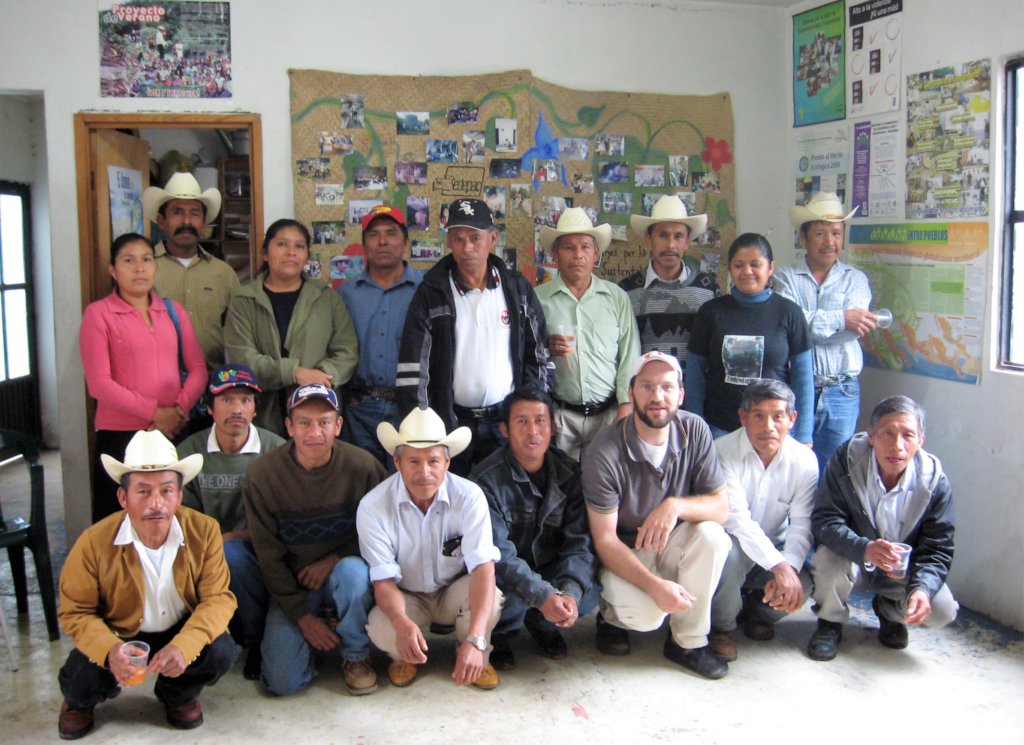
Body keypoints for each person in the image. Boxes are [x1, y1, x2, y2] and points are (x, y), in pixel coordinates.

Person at [56, 430, 238, 739]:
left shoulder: (204, 531)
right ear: (123, 497)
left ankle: (177, 694)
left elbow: (218, 599)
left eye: (167, 491)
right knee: (81, 675)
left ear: (180, 496)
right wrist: (109, 649)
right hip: (118, 633)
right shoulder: (94, 542)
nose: (157, 503)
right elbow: (76, 613)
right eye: (142, 491)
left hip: (178, 629)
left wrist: (185, 646)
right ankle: (79, 703)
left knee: (221, 649)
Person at [583, 352, 732, 680]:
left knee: (713, 537)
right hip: (625, 551)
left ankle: (688, 642)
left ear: (681, 394)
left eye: (667, 387)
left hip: (672, 541)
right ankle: (610, 617)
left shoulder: (694, 429)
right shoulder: (604, 451)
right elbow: (605, 540)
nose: (657, 397)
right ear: (632, 392)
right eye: (647, 387)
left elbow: (720, 508)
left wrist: (675, 506)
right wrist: (654, 586)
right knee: (648, 616)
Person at [242, 384, 387, 696]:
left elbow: (384, 533)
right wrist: (302, 618)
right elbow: (268, 556)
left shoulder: (363, 468)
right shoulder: (263, 475)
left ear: (338, 425)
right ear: (289, 426)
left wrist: (334, 559)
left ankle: (355, 655)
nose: (315, 432)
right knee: (282, 683)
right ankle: (306, 644)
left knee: (352, 572)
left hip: (346, 577)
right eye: (304, 422)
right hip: (296, 584)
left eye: (324, 422)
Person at [397, 198, 550, 475]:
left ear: (493, 238)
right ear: (448, 242)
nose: (467, 247)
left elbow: (537, 356)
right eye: (458, 238)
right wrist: (420, 428)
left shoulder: (516, 290)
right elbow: (413, 369)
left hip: (507, 421)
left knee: (507, 493)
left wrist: (531, 415)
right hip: (451, 422)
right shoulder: (432, 293)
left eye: (475, 238)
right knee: (453, 500)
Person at [358, 407, 503, 690]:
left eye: (433, 461)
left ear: (447, 463)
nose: (424, 472)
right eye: (413, 461)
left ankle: (474, 651)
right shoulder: (373, 506)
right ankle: (406, 654)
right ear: (397, 461)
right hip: (407, 594)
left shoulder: (470, 497)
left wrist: (476, 639)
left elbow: (484, 569)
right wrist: (400, 622)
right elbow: (384, 582)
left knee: (492, 597)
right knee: (382, 626)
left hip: (453, 590)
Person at [806, 396, 958, 661]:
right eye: (887, 433)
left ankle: (890, 613)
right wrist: (864, 549)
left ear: (920, 441)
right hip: (852, 560)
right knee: (826, 559)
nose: (897, 446)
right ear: (871, 436)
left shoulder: (934, 482)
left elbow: (938, 549)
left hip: (898, 571)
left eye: (908, 435)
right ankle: (830, 621)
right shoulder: (846, 462)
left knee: (942, 609)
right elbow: (825, 521)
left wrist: (922, 588)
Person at [80, 232, 207, 522]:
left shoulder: (172, 311)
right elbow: (99, 384)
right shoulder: (99, 315)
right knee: (118, 522)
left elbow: (198, 368)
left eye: (146, 260)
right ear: (113, 269)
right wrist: (154, 413)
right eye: (129, 261)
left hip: (173, 430)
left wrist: (177, 410)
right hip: (120, 437)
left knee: (169, 518)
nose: (139, 268)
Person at [470, 387, 599, 669]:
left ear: (553, 427)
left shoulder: (570, 473)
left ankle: (546, 625)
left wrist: (568, 594)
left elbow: (580, 543)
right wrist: (542, 595)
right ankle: (501, 633)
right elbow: (498, 554)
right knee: (498, 595)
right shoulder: (485, 480)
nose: (533, 431)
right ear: (504, 429)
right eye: (522, 421)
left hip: (551, 572)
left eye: (541, 420)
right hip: (507, 579)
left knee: (591, 593)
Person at [176, 363, 286, 680]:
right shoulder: (189, 453)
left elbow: (280, 522)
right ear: (209, 408)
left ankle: (254, 640)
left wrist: (227, 541)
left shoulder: (275, 450)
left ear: (255, 409)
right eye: (226, 400)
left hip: (255, 552)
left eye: (245, 400)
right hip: (201, 551)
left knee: (232, 557)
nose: (236, 409)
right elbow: (181, 516)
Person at [707, 380, 818, 661]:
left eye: (778, 416)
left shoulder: (805, 460)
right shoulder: (723, 450)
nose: (768, 426)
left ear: (792, 419)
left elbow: (802, 523)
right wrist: (779, 566)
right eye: (758, 415)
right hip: (734, 542)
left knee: (802, 584)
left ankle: (758, 613)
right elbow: (736, 519)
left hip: (775, 545)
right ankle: (722, 628)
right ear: (743, 417)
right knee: (728, 556)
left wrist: (789, 568)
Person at [773, 191, 878, 473]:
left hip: (841, 390)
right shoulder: (785, 277)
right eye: (820, 233)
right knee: (792, 467)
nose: (829, 241)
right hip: (795, 388)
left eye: (836, 233)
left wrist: (816, 323)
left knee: (835, 471)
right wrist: (841, 319)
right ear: (804, 238)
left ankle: (826, 520)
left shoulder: (855, 280)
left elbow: (853, 331)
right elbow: (790, 327)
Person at [224, 219, 359, 437]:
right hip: (262, 414)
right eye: (282, 244)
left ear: (307, 255)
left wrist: (320, 377)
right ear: (266, 253)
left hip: (316, 412)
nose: (291, 252)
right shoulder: (244, 299)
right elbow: (243, 360)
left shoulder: (326, 298)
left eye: (299, 246)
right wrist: (294, 373)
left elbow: (347, 352)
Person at [684, 233, 814, 445]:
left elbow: (803, 377)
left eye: (755, 264)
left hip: (773, 431)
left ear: (770, 267)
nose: (747, 272)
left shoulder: (789, 313)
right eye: (739, 265)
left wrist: (804, 435)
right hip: (719, 429)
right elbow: (695, 375)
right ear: (730, 268)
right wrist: (696, 425)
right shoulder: (711, 312)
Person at [535, 208, 639, 458]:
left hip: (609, 414)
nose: (578, 255)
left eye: (585, 247)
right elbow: (525, 352)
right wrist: (546, 347)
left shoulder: (616, 298)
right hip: (560, 417)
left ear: (596, 254)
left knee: (605, 488)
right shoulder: (538, 299)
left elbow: (629, 355)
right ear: (555, 255)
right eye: (569, 248)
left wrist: (626, 405)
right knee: (563, 487)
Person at [339, 205, 422, 468]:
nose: (383, 241)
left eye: (391, 233)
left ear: (405, 242)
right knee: (361, 486)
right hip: (360, 409)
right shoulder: (347, 294)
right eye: (374, 234)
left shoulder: (426, 289)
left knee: (407, 488)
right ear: (364, 244)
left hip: (410, 409)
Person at [143, 172, 240, 374]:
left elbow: (238, 332)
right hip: (158, 381)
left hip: (213, 380)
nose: (186, 221)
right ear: (162, 221)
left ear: (204, 222)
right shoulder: (144, 269)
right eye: (177, 212)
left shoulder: (223, 273)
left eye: (194, 213)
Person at [620, 195, 720, 370]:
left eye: (678, 236)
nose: (670, 245)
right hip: (646, 393)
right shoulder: (628, 291)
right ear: (649, 239)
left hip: (694, 393)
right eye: (663, 235)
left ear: (687, 242)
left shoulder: (708, 289)